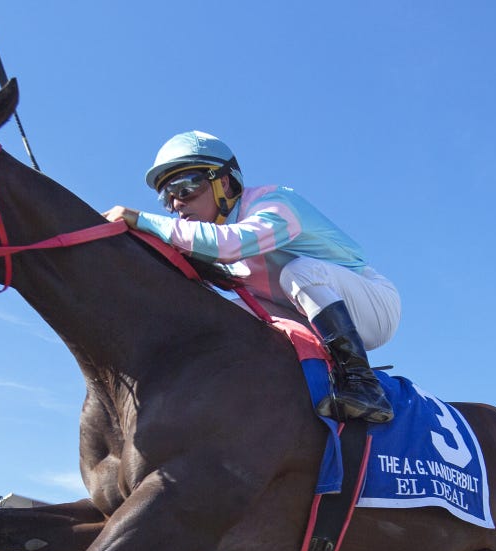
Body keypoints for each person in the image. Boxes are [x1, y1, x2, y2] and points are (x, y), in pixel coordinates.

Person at [104, 130, 400, 423]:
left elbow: (229, 245)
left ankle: (364, 384)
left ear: (223, 183)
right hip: (302, 311)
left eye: (185, 188)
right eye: (166, 198)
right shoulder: (205, 239)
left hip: (373, 306)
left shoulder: (273, 203)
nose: (176, 204)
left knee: (298, 272)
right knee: (224, 315)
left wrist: (141, 219)